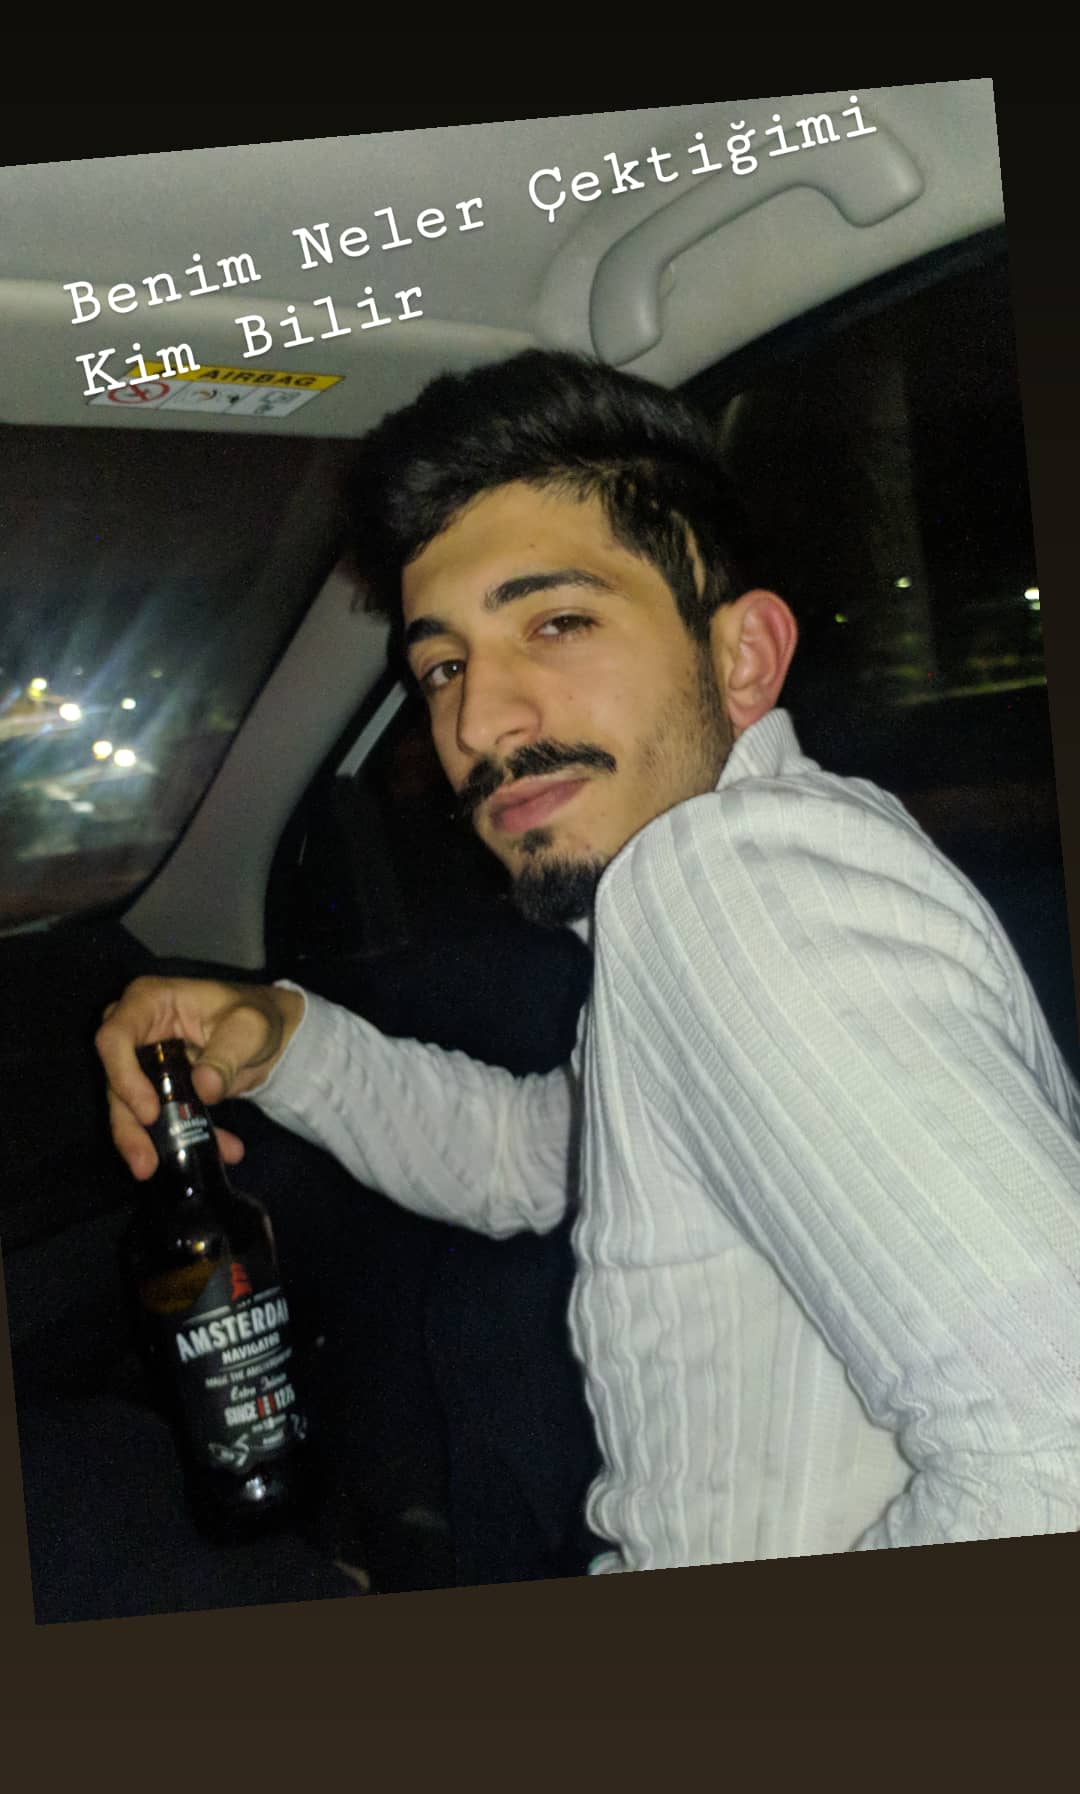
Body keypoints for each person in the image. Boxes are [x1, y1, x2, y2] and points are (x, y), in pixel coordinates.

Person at [97, 350, 1080, 1575]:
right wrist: (285, 1040)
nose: (475, 723)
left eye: (558, 622)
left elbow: (1058, 1454)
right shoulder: (718, 901)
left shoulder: (726, 883)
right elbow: (536, 1156)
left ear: (743, 658)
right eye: (443, 666)